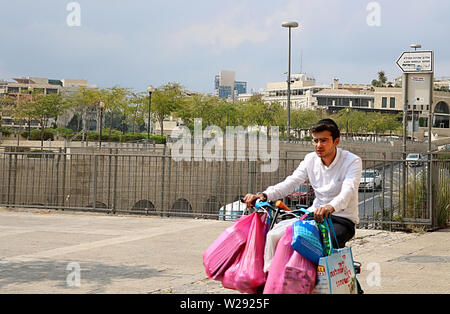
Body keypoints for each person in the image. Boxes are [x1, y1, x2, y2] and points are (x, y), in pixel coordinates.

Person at [244, 118, 362, 249]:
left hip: (341, 218)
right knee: (275, 236)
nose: (318, 145)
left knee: (314, 242)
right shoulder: (310, 159)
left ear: (336, 141)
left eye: (324, 140)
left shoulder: (352, 161)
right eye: (315, 140)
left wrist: (330, 207)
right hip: (314, 216)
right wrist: (264, 195)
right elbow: (291, 182)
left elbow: (348, 190)